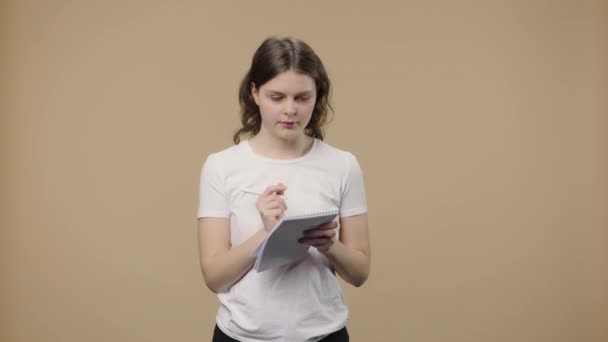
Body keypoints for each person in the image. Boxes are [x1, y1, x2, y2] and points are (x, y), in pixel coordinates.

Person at [197, 36, 370, 342]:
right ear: (255, 93)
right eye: (277, 97)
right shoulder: (221, 166)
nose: (290, 110)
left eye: (302, 97)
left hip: (324, 334)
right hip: (240, 336)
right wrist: (267, 233)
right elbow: (214, 276)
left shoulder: (343, 165)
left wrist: (330, 245)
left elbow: (359, 272)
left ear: (318, 96)